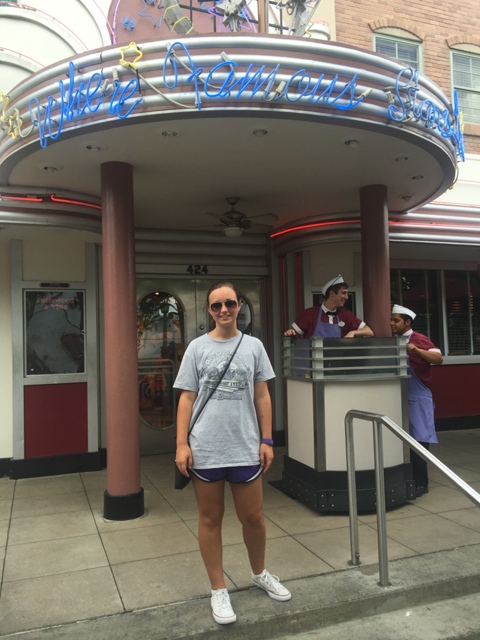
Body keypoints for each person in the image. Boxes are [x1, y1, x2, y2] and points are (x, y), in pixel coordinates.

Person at [173, 282, 291, 626]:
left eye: (229, 303)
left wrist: (267, 439)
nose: (223, 310)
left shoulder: (254, 346)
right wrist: (181, 444)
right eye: (216, 305)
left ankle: (260, 572)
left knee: (253, 517)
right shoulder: (197, 348)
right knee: (210, 519)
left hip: (244, 446)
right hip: (206, 447)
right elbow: (186, 398)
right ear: (208, 311)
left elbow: (262, 395)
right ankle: (218, 588)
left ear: (240, 305)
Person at [391, 304, 443, 497]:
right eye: (391, 320)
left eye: (396, 320)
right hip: (400, 395)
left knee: (419, 440)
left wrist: (418, 351)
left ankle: (421, 483)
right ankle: (408, 480)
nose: (392, 323)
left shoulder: (418, 339)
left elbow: (438, 359)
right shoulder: (392, 341)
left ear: (407, 322)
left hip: (418, 395)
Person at [284, 274, 373, 338]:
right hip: (314, 359)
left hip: (337, 358)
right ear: (332, 293)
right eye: (343, 293)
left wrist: (353, 333)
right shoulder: (309, 314)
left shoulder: (346, 315)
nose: (346, 297)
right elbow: (293, 334)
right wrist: (291, 332)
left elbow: (369, 331)